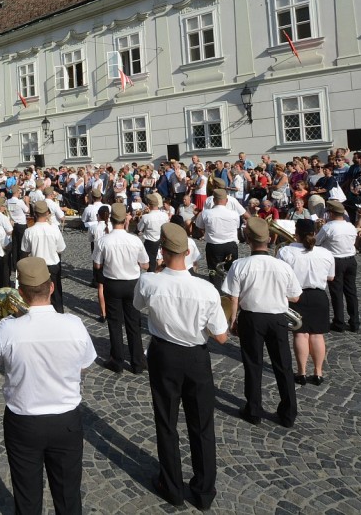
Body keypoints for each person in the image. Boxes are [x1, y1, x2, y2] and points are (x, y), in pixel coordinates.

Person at [0, 257, 96, 515]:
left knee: (27, 498)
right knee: (68, 497)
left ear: (20, 293)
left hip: (24, 422)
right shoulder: (74, 324)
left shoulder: (9, 329)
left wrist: (9, 323)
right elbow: (85, 363)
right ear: (51, 287)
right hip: (66, 420)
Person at [134, 224, 228, 510]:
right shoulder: (206, 289)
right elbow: (222, 337)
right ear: (188, 253)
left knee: (166, 422)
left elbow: (138, 306)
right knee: (202, 425)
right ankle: (203, 491)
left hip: (164, 354)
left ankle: (172, 486)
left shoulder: (149, 282)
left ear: (162, 251)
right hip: (196, 357)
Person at [224, 217, 302, 428]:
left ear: (248, 239)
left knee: (253, 364)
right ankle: (288, 414)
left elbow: (233, 297)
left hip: (251, 318)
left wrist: (233, 320)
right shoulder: (282, 266)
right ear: (270, 239)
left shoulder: (239, 265)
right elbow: (295, 297)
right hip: (277, 318)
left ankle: (253, 410)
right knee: (283, 365)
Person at [277, 219, 335, 386]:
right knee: (317, 335)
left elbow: (280, 275)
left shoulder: (285, 251)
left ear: (296, 233)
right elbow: (331, 277)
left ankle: (301, 372)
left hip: (296, 295)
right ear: (314, 233)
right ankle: (318, 372)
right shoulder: (326, 253)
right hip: (318, 296)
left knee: (300, 334)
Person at [93, 203, 149, 374]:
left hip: (113, 283)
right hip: (132, 283)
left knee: (115, 323)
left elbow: (97, 265)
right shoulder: (135, 240)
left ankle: (116, 360)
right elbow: (146, 264)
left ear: (110, 219)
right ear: (125, 219)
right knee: (134, 323)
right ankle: (137, 362)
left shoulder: (103, 241)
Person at [316, 199, 360, 332]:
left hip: (335, 261)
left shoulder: (328, 227)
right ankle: (355, 322)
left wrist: (318, 228)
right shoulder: (350, 226)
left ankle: (339, 322)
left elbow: (317, 242)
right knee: (351, 292)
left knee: (336, 292)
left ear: (331, 213)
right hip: (351, 260)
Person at [21, 200, 67, 313]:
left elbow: (25, 250)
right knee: (56, 294)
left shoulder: (29, 231)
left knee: (37, 296)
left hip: (36, 267)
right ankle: (59, 314)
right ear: (47, 213)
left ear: (35, 214)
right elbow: (61, 249)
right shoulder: (54, 229)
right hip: (52, 265)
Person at [195, 189, 242, 291]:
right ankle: (232, 293)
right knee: (232, 271)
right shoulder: (234, 214)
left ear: (214, 200)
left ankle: (216, 292)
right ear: (226, 201)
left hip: (214, 246)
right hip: (231, 245)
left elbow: (199, 226)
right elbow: (237, 227)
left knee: (213, 271)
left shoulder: (205, 213)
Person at [138, 193, 169, 273]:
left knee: (151, 263)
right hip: (162, 240)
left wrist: (144, 214)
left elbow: (139, 228)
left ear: (148, 205)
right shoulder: (165, 215)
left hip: (150, 242)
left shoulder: (146, 217)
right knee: (161, 260)